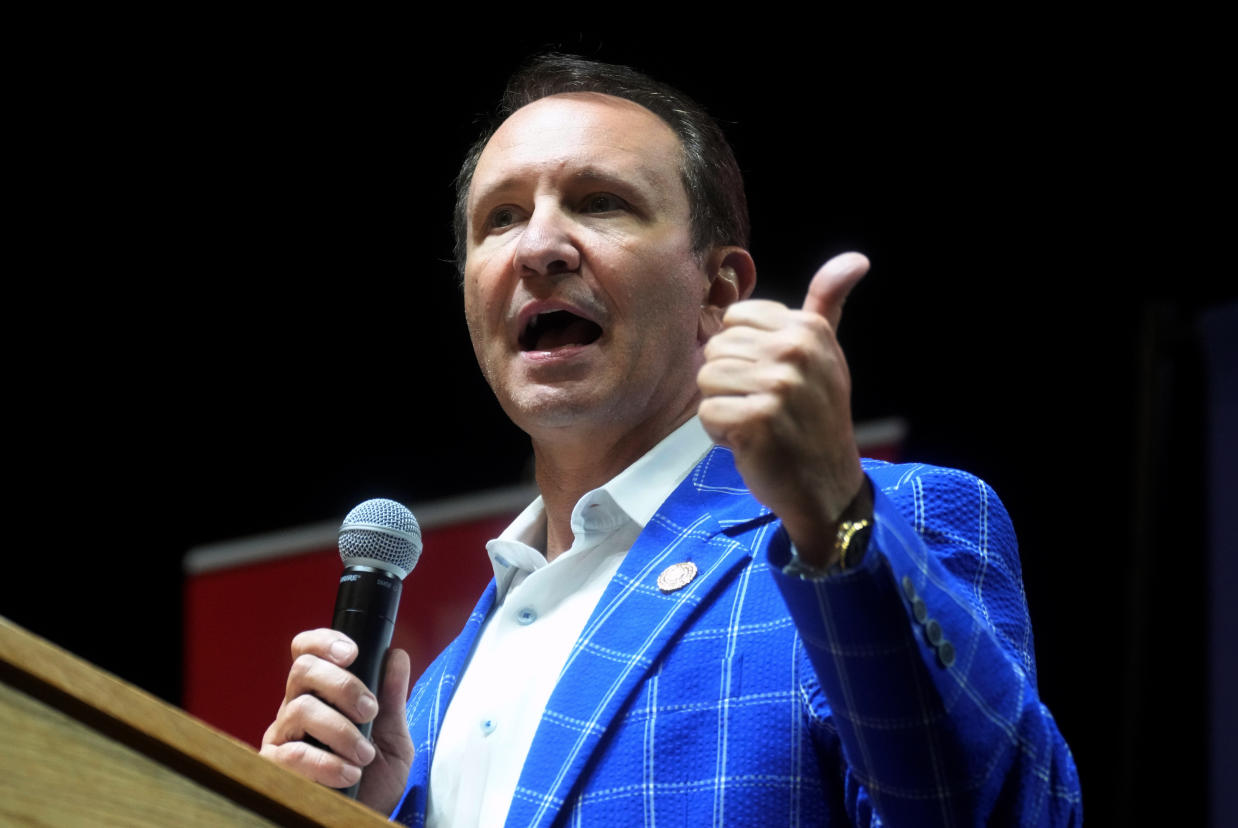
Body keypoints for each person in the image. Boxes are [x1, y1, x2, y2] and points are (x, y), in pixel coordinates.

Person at [260, 54, 1082, 826]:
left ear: (719, 290)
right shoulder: (427, 708)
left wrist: (834, 515)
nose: (538, 248)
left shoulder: (882, 529)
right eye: (500, 218)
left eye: (598, 202)